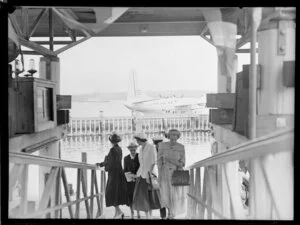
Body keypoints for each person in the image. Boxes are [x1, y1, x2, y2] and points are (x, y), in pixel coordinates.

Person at [96, 132, 128, 219]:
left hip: (114, 174)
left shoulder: (112, 150)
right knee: (115, 193)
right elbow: (112, 161)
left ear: (111, 141)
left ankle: (119, 212)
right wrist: (104, 163)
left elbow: (110, 162)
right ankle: (118, 212)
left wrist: (101, 164)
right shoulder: (119, 149)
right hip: (119, 173)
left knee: (111, 192)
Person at [157, 129, 187, 219]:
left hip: (176, 172)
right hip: (164, 172)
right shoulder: (162, 145)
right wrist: (159, 173)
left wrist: (172, 160)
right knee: (165, 193)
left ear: (178, 137)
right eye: (172, 135)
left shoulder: (181, 147)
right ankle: (167, 213)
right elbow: (158, 161)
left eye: (176, 135)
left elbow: (183, 163)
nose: (173, 137)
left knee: (174, 194)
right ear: (168, 136)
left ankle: (172, 213)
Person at [132, 132, 157, 219]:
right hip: (140, 175)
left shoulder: (151, 148)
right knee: (141, 197)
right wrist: (137, 174)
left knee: (149, 196)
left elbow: (153, 162)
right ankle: (147, 216)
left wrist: (149, 174)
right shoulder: (141, 149)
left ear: (140, 139)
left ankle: (150, 216)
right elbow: (141, 163)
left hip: (148, 175)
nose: (136, 142)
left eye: (137, 140)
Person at [123, 142, 141, 219]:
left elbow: (141, 167)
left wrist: (137, 176)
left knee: (138, 196)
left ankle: (138, 212)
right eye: (131, 150)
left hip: (138, 179)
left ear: (136, 149)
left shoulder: (139, 156)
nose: (133, 152)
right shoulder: (126, 158)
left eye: (134, 150)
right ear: (129, 149)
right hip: (129, 181)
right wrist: (131, 176)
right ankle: (132, 213)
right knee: (130, 197)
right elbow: (125, 170)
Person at [152, 135, 167, 219]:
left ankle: (170, 214)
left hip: (166, 177)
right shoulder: (153, 152)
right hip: (157, 178)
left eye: (160, 143)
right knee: (160, 198)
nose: (158, 145)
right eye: (157, 144)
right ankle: (163, 216)